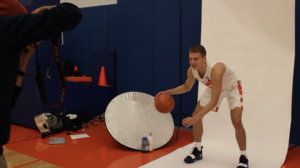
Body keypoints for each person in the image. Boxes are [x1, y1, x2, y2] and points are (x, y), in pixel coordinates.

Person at [0, 1, 83, 167]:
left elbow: (7, 103)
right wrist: (41, 13)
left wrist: (23, 60)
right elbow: (71, 13)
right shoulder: (5, 29)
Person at [156, 45, 249, 168]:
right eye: (190, 59)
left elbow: (214, 101)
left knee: (236, 121)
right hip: (214, 88)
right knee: (196, 115)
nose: (192, 62)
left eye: (196, 59)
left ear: (204, 58)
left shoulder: (217, 69)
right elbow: (186, 87)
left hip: (232, 88)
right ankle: (197, 149)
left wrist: (197, 118)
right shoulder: (191, 70)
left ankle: (244, 157)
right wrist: (168, 92)